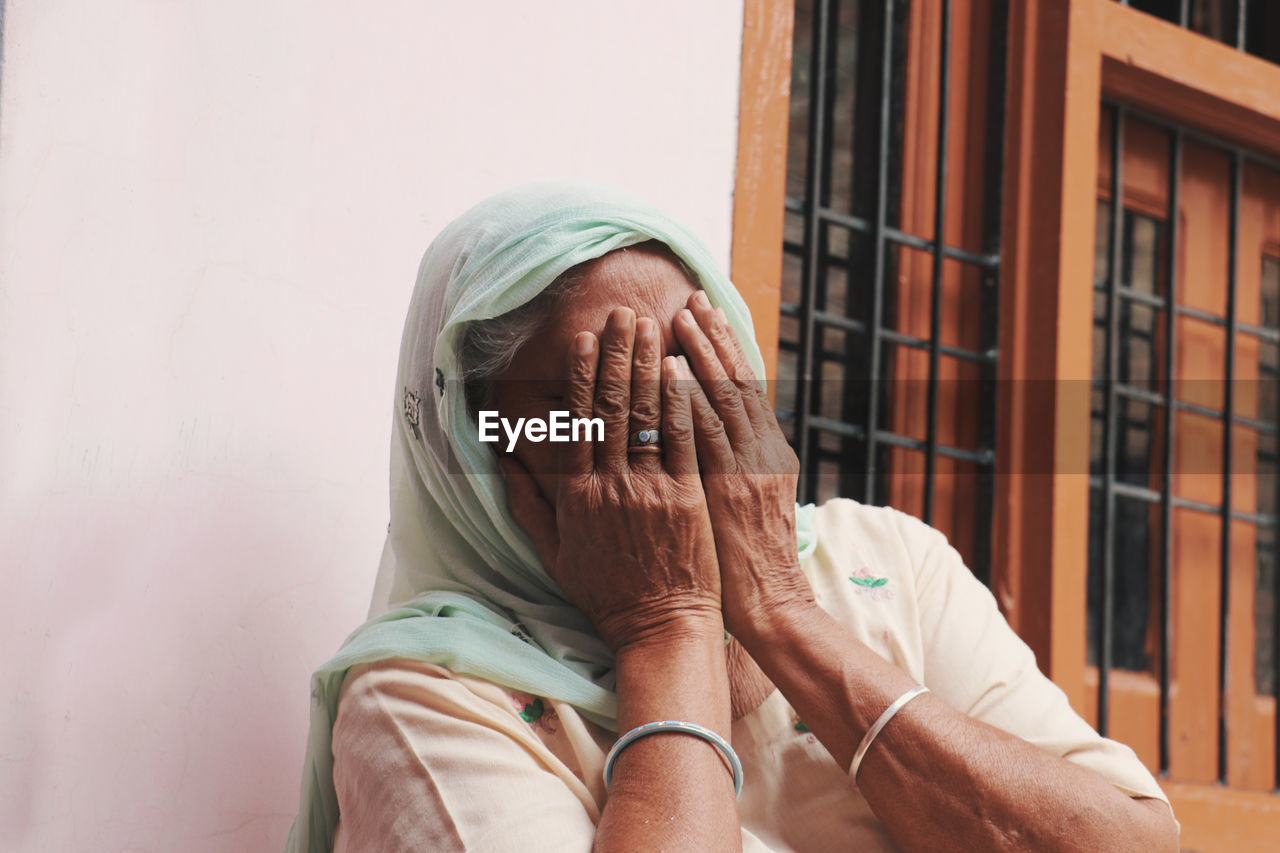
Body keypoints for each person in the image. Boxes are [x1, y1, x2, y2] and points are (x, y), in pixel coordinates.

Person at [285, 180, 1179, 852]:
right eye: (605, 405)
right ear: (489, 457)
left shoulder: (885, 567)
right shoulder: (425, 699)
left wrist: (784, 610)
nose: (672, 433)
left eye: (695, 377)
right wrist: (666, 630)